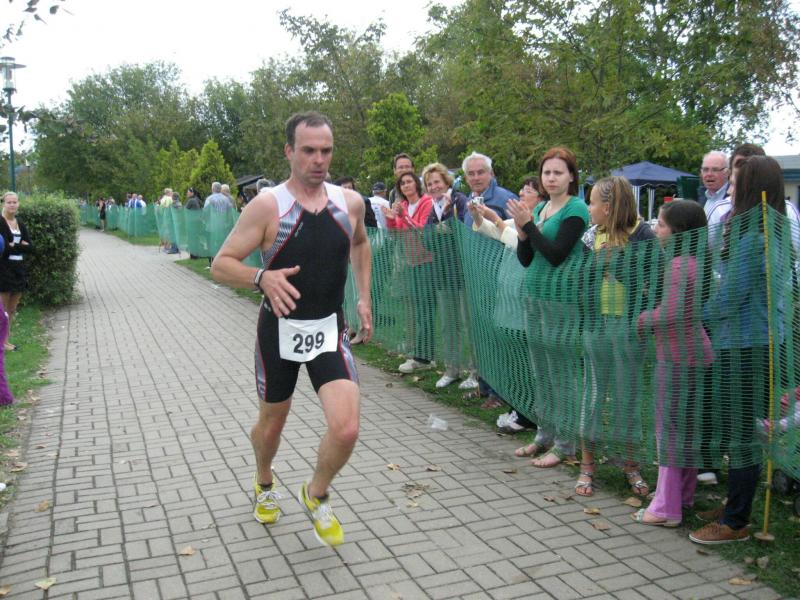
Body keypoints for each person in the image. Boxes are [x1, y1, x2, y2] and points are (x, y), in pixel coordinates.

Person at [210, 111, 372, 547]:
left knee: (347, 429)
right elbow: (221, 264)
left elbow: (360, 243)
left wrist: (364, 297)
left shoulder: (349, 203)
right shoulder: (269, 206)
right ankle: (264, 481)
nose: (319, 160)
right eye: (308, 150)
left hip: (328, 330)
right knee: (272, 426)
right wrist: (260, 277)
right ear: (289, 151)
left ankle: (315, 493)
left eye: (326, 151)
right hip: (278, 333)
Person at [689, 155, 790, 544]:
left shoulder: (754, 238)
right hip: (755, 340)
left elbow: (731, 296)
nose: (729, 189)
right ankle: (735, 503)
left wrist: (698, 314)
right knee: (739, 428)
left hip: (745, 345)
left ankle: (736, 521)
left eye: (735, 182)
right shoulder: (770, 231)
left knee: (742, 431)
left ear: (750, 188)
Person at [575, 176, 655, 497]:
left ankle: (631, 465)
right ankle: (587, 465)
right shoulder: (591, 235)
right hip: (596, 326)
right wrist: (596, 267)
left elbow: (653, 280)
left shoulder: (643, 234)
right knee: (593, 395)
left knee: (628, 397)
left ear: (607, 207)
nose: (589, 208)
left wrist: (616, 266)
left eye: (592, 202)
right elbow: (580, 279)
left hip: (629, 327)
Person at [633, 200, 713, 526]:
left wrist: (642, 319)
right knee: (686, 429)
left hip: (679, 357)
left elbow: (672, 313)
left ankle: (666, 507)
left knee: (668, 431)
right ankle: (682, 494)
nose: (655, 230)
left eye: (662, 225)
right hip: (693, 354)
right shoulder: (695, 262)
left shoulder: (679, 265)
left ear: (678, 231)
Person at [508, 147, 588, 468]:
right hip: (535, 297)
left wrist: (530, 227)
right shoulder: (540, 207)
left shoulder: (576, 209)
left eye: (558, 172)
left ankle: (566, 443)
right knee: (541, 371)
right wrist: (522, 233)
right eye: (547, 172)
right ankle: (545, 434)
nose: (551, 178)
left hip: (561, 301)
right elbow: (527, 259)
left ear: (571, 176)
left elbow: (556, 255)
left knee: (561, 373)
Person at [469, 177, 542, 434]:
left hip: (526, 301)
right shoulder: (516, 220)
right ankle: (519, 407)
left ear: (540, 198)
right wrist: (479, 216)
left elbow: (516, 240)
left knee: (527, 359)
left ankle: (528, 413)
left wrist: (495, 219)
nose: (521, 193)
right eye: (521, 189)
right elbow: (492, 230)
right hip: (509, 300)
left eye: (528, 191)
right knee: (514, 357)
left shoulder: (540, 220)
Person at [421, 162, 477, 390]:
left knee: (469, 324)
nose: (433, 186)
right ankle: (452, 369)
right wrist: (440, 228)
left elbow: (461, 231)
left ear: (446, 181)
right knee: (448, 324)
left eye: (437, 182)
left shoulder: (459, 201)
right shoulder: (432, 207)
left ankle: (475, 372)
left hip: (463, 274)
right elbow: (426, 240)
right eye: (429, 184)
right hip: (443, 274)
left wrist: (444, 220)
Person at [382, 173, 436, 373]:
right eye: (402, 183)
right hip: (411, 262)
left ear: (417, 184)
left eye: (409, 182)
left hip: (428, 262)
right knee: (418, 309)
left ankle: (424, 357)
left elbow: (422, 229)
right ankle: (422, 354)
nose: (405, 185)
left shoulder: (426, 202)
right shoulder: (404, 205)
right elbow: (396, 232)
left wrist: (403, 216)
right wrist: (390, 219)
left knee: (426, 310)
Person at [0, 192, 31, 353]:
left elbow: (30, 247)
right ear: (3, 204)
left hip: (19, 269)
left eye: (14, 202)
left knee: (11, 309)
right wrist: (20, 246)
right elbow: (5, 249)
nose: (12, 205)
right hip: (4, 269)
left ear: (18, 204)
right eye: (9, 202)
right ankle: (1, 342)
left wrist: (15, 245)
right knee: (2, 310)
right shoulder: (0, 222)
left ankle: (6, 340)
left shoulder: (20, 223)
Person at [461, 152, 518, 228]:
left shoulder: (507, 199)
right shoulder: (468, 201)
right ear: (466, 178)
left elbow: (518, 232)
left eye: (480, 172)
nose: (476, 178)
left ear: (491, 174)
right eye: (471, 174)